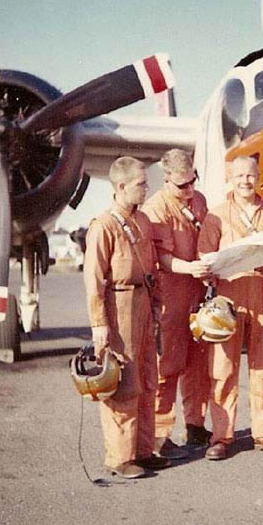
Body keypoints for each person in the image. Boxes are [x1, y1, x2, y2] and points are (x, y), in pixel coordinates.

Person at [197, 156, 263, 460]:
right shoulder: (217, 216)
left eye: (250, 176)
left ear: (258, 176)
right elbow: (204, 256)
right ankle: (222, 435)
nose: (245, 181)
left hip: (262, 294)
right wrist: (214, 266)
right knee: (223, 368)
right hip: (229, 296)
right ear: (230, 178)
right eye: (239, 176)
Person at [83, 156, 170, 478]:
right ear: (121, 186)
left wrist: (157, 304)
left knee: (148, 378)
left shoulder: (143, 221)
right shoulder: (103, 226)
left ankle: (143, 451)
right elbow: (94, 279)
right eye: (141, 184)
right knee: (123, 382)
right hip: (118, 307)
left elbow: (153, 267)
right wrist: (99, 325)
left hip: (144, 303)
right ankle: (119, 457)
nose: (147, 189)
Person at [141, 149, 213, 459]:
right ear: (166, 179)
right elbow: (161, 258)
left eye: (193, 181)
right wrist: (190, 268)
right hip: (171, 293)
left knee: (198, 363)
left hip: (198, 291)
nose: (190, 190)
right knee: (169, 365)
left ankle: (195, 424)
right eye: (182, 185)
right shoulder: (157, 209)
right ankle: (159, 433)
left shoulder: (199, 200)